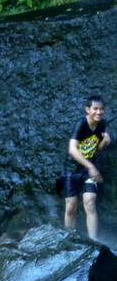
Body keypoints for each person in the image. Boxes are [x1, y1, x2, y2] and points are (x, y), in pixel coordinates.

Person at [63, 95, 111, 240]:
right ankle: (68, 239)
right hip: (71, 169)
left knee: (90, 204)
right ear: (88, 109)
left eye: (101, 109)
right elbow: (72, 150)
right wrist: (91, 167)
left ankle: (94, 241)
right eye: (95, 109)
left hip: (88, 171)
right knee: (71, 207)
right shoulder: (81, 124)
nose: (99, 112)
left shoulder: (101, 124)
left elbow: (97, 149)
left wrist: (105, 141)